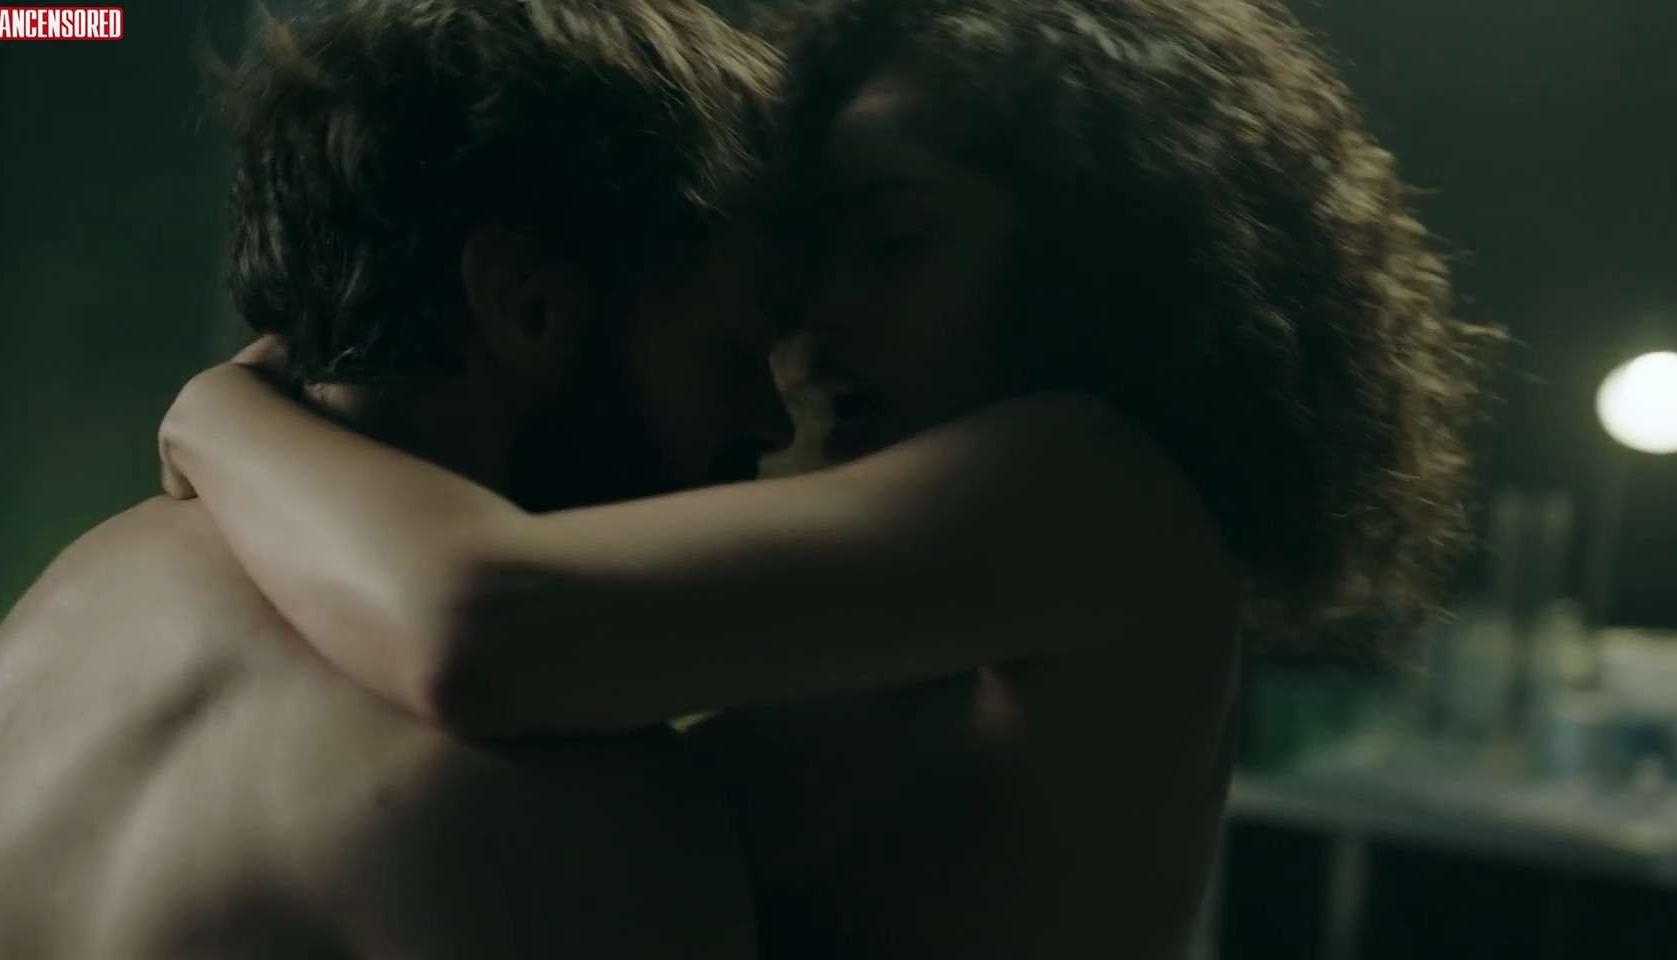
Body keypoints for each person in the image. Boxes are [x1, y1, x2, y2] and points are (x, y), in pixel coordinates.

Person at [157, 0, 1498, 956]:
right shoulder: (916, 544)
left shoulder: (1091, 493)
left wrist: (224, 413)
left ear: (1099, 258)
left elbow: (481, 629)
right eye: (815, 261)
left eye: (896, 243)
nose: (824, 315)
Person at [0, 2, 786, 957]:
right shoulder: (571, 811)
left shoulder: (63, 614)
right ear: (527, 303)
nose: (771, 422)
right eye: (736, 355)